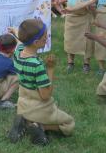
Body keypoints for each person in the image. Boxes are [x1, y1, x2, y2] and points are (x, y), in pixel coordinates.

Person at [6, 18, 74, 146]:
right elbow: (45, 95)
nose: (47, 38)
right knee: (69, 123)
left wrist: (15, 32)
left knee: (29, 113)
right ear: (36, 42)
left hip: (23, 106)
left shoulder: (18, 53)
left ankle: (25, 121)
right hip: (40, 108)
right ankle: (40, 126)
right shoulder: (37, 65)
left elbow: (21, 42)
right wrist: (50, 69)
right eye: (44, 37)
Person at [53, 0, 94, 73]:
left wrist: (90, 8)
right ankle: (70, 63)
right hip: (71, 18)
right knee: (70, 40)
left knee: (87, 42)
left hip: (84, 18)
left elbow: (91, 4)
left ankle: (86, 64)